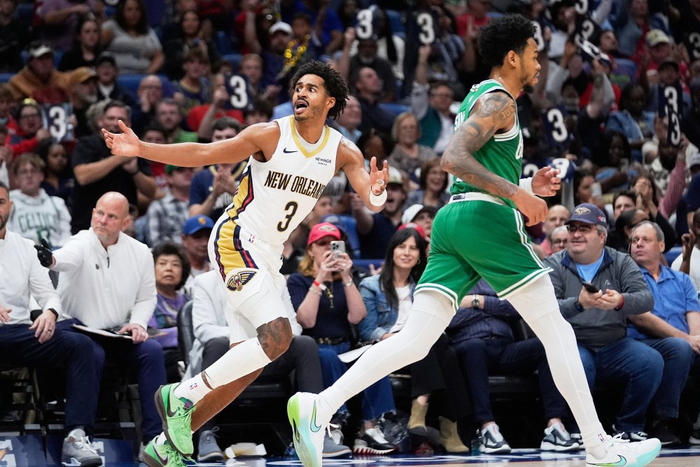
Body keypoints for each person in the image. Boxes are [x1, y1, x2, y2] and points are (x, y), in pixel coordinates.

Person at [285, 15, 662, 467]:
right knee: (558, 332)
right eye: (534, 54)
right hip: (486, 220)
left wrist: (527, 183)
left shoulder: (478, 96)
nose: (539, 64)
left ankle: (320, 406)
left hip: (454, 219)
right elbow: (454, 157)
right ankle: (600, 446)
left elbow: (475, 168)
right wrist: (518, 194)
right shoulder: (500, 100)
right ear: (512, 57)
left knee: (416, 340)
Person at [101, 60, 391, 465]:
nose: (300, 93)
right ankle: (180, 394)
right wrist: (142, 149)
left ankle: (167, 446)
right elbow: (204, 152)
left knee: (249, 365)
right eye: (298, 87)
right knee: (278, 336)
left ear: (330, 101)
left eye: (311, 88)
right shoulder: (270, 134)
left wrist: (377, 192)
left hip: (270, 254)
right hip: (237, 237)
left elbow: (372, 199)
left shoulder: (342, 150)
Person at [35, 191, 166, 455]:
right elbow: (65, 257)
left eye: (111, 217)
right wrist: (51, 260)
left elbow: (146, 297)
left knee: (152, 352)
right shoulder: (81, 241)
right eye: (100, 213)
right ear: (93, 213)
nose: (102, 220)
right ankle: (77, 436)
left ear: (125, 223)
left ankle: (154, 440)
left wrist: (138, 323)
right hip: (74, 330)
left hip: (115, 333)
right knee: (90, 351)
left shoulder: (141, 252)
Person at [0, 181, 101, 467]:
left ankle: (75, 436)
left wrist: (50, 313)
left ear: (10, 206)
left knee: (80, 345)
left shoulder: (25, 248)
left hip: (19, 332)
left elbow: (48, 294)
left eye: (0, 202)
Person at [544, 204, 664, 440]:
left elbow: (646, 299)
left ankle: (628, 426)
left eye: (584, 229)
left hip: (615, 344)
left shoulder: (621, 261)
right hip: (575, 342)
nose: (576, 234)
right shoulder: (554, 264)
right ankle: (579, 430)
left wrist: (621, 301)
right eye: (572, 228)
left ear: (602, 236)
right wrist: (578, 304)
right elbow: (546, 308)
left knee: (651, 361)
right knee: (577, 363)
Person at [359, 227, 471, 453]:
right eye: (402, 247)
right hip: (388, 346)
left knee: (443, 348)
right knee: (431, 342)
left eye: (413, 248)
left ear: (420, 255)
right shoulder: (371, 285)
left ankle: (422, 408)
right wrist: (398, 337)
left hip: (420, 349)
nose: (407, 252)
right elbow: (368, 330)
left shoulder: (424, 287)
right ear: (392, 251)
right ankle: (448, 427)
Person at [287, 222, 395, 455]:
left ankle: (369, 429)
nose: (328, 248)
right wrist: (320, 277)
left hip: (345, 346)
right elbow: (306, 321)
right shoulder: (298, 281)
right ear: (310, 250)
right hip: (314, 350)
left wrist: (346, 276)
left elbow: (357, 316)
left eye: (333, 244)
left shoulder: (346, 279)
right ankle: (334, 424)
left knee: (374, 355)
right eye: (322, 243)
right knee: (327, 357)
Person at [447, 278, 580, 453]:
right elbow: (449, 318)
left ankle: (554, 426)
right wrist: (494, 307)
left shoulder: (496, 277)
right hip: (468, 348)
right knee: (475, 347)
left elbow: (516, 307)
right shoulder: (452, 278)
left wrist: (476, 301)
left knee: (546, 345)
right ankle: (487, 428)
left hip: (504, 347)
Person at [628, 221, 698, 445]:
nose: (638, 244)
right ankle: (662, 421)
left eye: (645, 240)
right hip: (644, 341)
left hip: (685, 343)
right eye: (634, 240)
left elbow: (694, 314)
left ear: (661, 245)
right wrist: (688, 339)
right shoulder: (626, 277)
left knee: (686, 347)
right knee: (680, 347)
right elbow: (641, 318)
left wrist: (696, 338)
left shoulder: (682, 279)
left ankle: (695, 423)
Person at [71, 100, 157, 233]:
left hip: (124, 228)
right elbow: (83, 176)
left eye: (121, 119)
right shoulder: (87, 144)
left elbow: (151, 192)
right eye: (111, 118)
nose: (115, 123)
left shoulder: (136, 148)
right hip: (87, 226)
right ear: (101, 121)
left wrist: (135, 171)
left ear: (129, 124)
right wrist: (120, 158)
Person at [8, 153, 71, 248]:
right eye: (24, 172)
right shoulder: (9, 203)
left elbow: (66, 236)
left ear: (41, 176)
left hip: (56, 253)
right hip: (22, 253)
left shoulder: (57, 203)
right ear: (16, 178)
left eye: (33, 171)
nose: (29, 175)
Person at [150, 241, 192, 383]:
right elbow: (151, 336)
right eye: (162, 263)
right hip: (164, 357)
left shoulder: (190, 301)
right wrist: (185, 333)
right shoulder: (147, 300)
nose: (169, 268)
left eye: (175, 264)